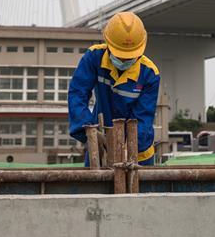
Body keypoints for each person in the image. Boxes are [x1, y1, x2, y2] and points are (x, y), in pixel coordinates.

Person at [68, 11, 161, 165]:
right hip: (99, 148)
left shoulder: (149, 73)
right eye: (120, 55)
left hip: (139, 155)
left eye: (129, 56)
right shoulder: (94, 57)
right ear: (108, 44)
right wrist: (90, 131)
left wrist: (129, 147)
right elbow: (77, 94)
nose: (124, 59)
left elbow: (143, 118)